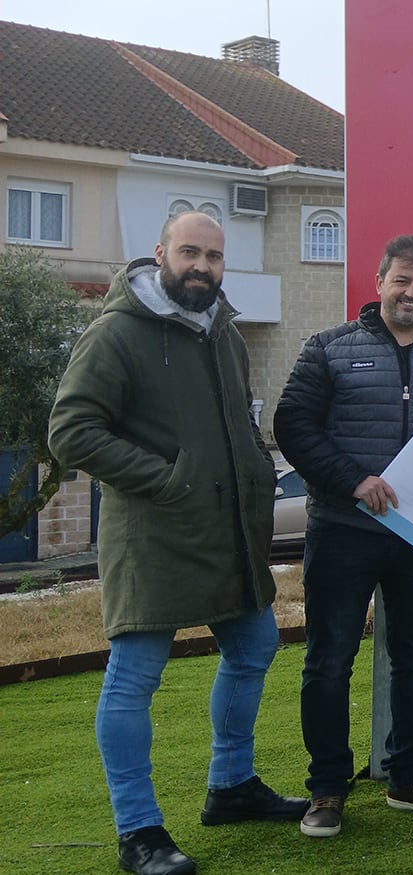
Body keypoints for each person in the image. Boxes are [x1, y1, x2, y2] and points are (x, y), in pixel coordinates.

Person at [48, 211, 306, 875]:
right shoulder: (117, 332)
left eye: (214, 256)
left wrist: (252, 468)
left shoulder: (222, 331)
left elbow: (238, 418)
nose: (202, 266)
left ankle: (230, 786)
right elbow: (72, 431)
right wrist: (167, 481)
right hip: (154, 532)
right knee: (135, 676)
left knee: (253, 644)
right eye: (190, 252)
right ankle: (138, 832)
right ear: (160, 253)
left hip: (226, 529)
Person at [274, 234, 413, 839]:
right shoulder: (329, 348)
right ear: (379, 283)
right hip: (344, 531)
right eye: (402, 280)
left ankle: (408, 777)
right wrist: (353, 481)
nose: (412, 292)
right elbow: (292, 423)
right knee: (328, 662)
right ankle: (327, 789)